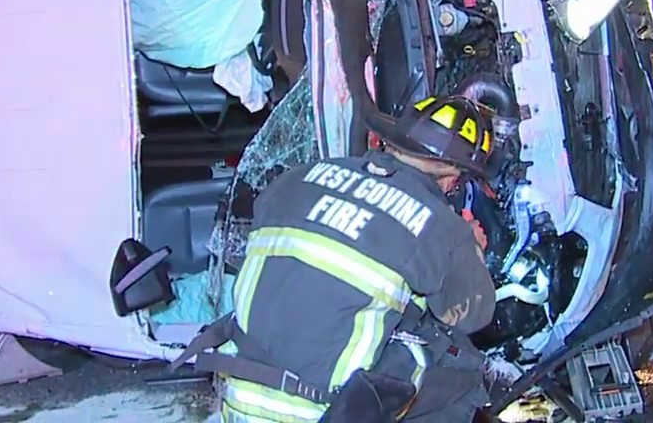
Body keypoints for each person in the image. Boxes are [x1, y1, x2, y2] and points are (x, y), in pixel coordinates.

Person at [173, 94, 499, 422]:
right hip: (313, 412)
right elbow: (472, 316)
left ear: (390, 142)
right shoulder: (442, 226)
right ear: (454, 178)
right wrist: (472, 250)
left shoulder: (299, 176)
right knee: (462, 370)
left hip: (239, 394)